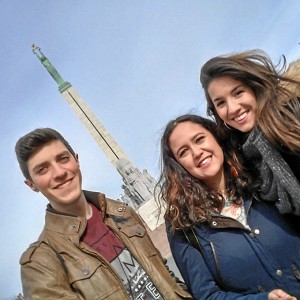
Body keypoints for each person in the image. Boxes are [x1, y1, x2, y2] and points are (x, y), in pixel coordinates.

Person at [15, 127, 192, 300]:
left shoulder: (123, 214)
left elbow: (165, 276)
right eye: (42, 169)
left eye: (62, 159)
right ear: (31, 184)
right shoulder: (39, 265)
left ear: (76, 160)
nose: (59, 172)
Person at [157, 114, 300, 300]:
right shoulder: (183, 226)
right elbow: (207, 296)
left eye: (199, 139)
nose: (197, 152)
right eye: (184, 152)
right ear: (178, 166)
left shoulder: (261, 176)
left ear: (216, 137)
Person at [200, 50, 300, 215]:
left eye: (238, 93)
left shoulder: (293, 116)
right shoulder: (242, 158)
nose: (232, 108)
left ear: (254, 87)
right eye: (221, 103)